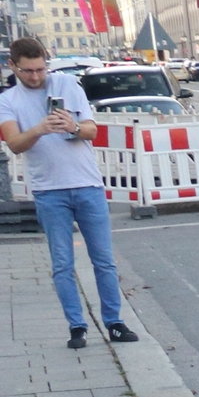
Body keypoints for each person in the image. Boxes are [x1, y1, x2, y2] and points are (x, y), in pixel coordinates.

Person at [1, 39, 136, 349]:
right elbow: (14, 144)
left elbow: (92, 131)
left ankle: (114, 322)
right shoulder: (8, 101)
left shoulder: (67, 83)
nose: (36, 77)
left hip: (87, 185)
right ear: (14, 67)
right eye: (28, 71)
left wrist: (73, 127)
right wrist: (39, 129)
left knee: (104, 260)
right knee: (63, 263)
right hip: (50, 191)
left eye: (40, 69)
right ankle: (77, 327)